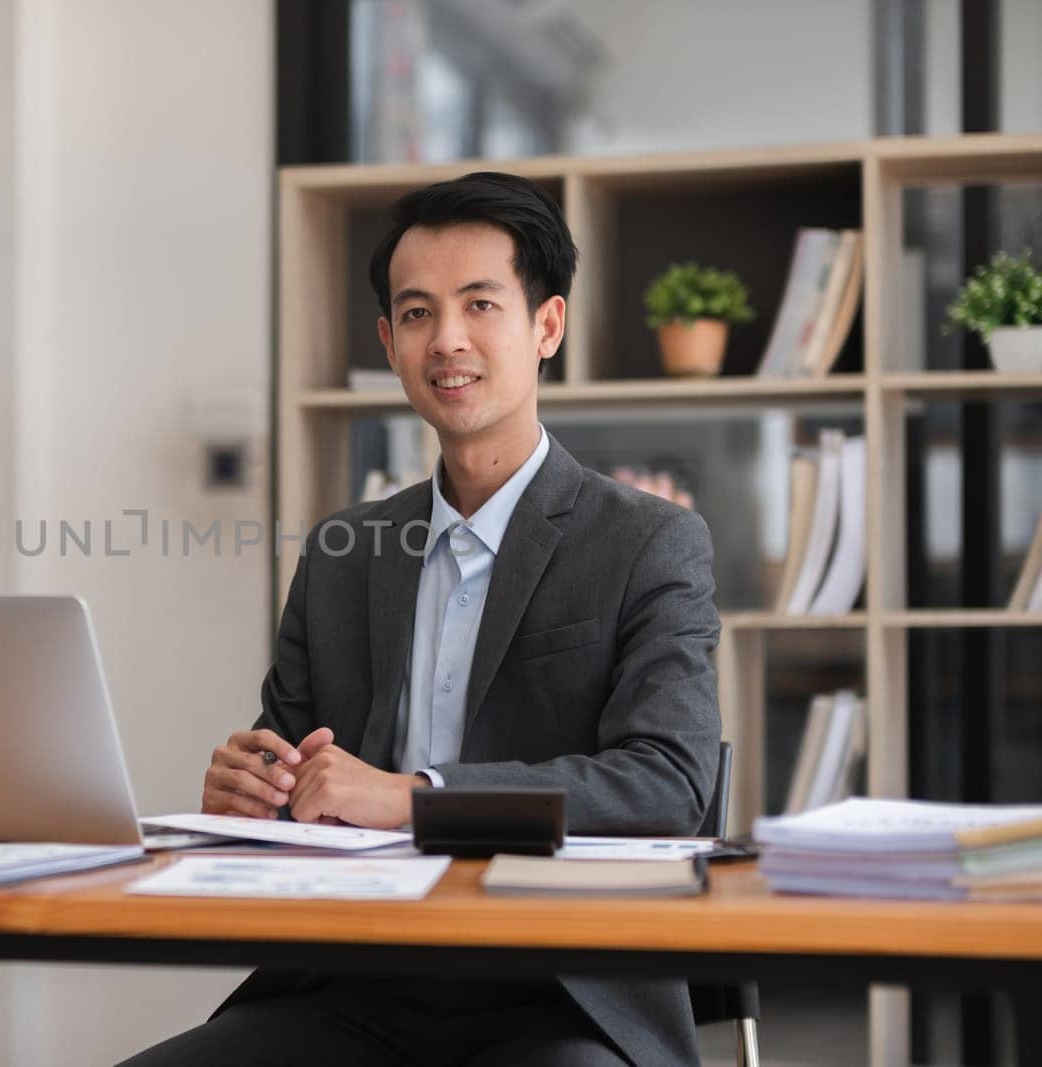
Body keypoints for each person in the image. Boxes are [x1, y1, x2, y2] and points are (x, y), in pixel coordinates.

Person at [122, 172, 721, 1066]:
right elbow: (293, 767)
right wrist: (250, 788)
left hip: (558, 998)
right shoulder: (341, 552)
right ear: (388, 341)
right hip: (352, 989)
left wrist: (415, 797)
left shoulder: (649, 542)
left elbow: (669, 786)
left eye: (481, 304)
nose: (448, 340)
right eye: (415, 314)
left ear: (547, 325)